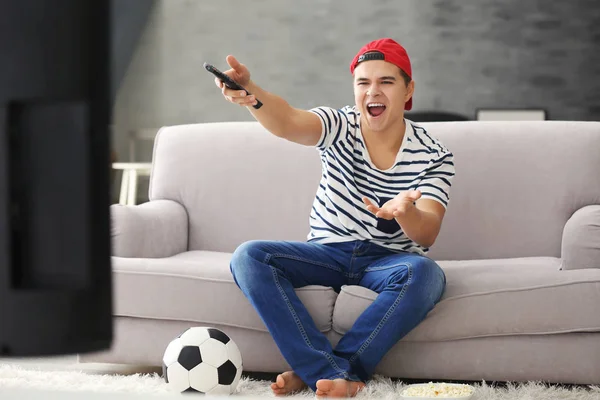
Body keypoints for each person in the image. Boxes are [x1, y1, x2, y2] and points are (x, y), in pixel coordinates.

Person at [217, 38, 455, 398]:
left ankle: (318, 371)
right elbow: (287, 120)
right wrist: (251, 93)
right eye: (363, 83)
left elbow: (428, 233)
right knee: (249, 256)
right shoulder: (338, 124)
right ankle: (330, 372)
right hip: (326, 253)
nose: (372, 92)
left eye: (386, 82)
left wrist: (405, 212)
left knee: (426, 274)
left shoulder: (435, 154)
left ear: (408, 90)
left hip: (387, 261)